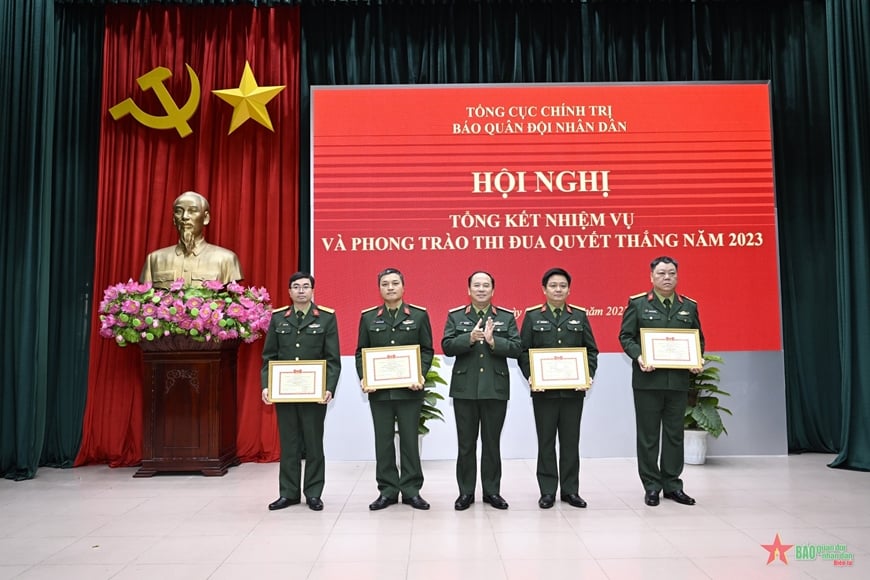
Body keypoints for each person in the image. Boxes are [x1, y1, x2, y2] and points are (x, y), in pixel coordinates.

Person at [618, 256, 704, 507]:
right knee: (648, 436)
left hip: (677, 381)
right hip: (648, 381)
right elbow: (625, 336)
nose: (667, 278)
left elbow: (698, 338)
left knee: (675, 434)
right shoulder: (638, 304)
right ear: (651, 277)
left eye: (672, 273)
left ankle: (673, 485)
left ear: (677, 276)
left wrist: (697, 359)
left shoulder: (689, 305)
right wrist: (639, 356)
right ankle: (651, 486)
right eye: (662, 273)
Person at [519, 268, 599, 510]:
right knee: (546, 442)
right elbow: (523, 352)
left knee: (570, 441)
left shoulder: (580, 316)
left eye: (562, 286)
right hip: (544, 392)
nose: (558, 289)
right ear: (544, 289)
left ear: (569, 289)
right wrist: (532, 376)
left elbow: (591, 350)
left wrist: (588, 375)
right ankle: (547, 491)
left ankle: (570, 490)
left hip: (573, 391)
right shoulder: (533, 317)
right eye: (553, 286)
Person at [355, 268, 434, 511]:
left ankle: (412, 491)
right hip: (380, 392)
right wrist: (365, 377)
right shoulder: (368, 318)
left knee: (410, 441)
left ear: (403, 287)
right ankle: (387, 491)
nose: (390, 287)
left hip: (409, 391)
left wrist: (419, 373)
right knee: (384, 441)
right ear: (379, 289)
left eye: (395, 283)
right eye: (385, 284)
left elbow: (427, 349)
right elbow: (361, 352)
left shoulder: (419, 315)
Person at [261, 272, 340, 511]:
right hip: (285, 393)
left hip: (314, 394)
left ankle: (313, 493)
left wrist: (329, 387)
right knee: (290, 444)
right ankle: (289, 493)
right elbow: (269, 357)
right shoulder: (278, 319)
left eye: (306, 286)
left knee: (314, 444)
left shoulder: (326, 318)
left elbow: (332, 359)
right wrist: (267, 385)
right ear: (289, 291)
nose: (301, 290)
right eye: (296, 287)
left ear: (313, 290)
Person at [442, 271, 521, 510]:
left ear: (493, 290)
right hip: (465, 389)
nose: (481, 289)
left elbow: (517, 348)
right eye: (476, 285)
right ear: (468, 290)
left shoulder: (506, 318)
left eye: (486, 285)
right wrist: (469, 338)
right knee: (466, 444)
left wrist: (494, 342)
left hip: (495, 389)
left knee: (491, 443)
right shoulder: (456, 316)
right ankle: (465, 492)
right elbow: (446, 346)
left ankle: (492, 491)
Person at [140, 191, 243, 288]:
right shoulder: (154, 259)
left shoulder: (226, 259)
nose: (184, 217)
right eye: (179, 211)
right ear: (174, 219)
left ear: (206, 218)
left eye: (192, 211)